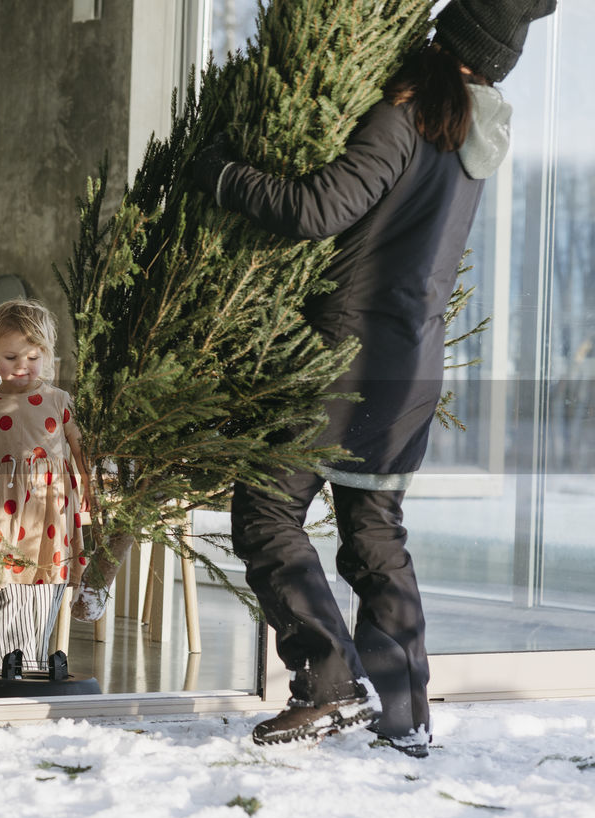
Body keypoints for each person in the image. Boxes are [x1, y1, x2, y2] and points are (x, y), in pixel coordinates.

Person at [193, 0, 556, 755]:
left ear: (446, 42)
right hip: (412, 366)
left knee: (265, 509)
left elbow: (317, 208)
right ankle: (404, 713)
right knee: (372, 535)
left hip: (345, 361)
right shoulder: (472, 143)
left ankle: (329, 684)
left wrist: (221, 173)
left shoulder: (409, 119)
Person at [0, 299, 94, 672]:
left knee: (45, 584)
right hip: (2, 514)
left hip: (49, 510)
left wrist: (90, 489)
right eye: (11, 357)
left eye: (32, 358)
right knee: (6, 586)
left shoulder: (59, 401)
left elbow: (79, 450)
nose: (21, 367)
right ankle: (3, 665)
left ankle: (32, 660)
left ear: (46, 354)